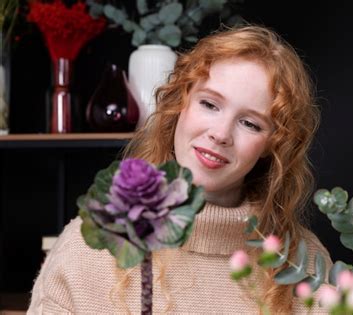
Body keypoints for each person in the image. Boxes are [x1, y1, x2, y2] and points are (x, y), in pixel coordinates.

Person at [28, 25, 332, 314]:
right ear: (179, 103)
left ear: (272, 145)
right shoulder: (86, 249)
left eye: (250, 123)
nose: (221, 133)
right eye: (210, 104)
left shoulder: (303, 265)